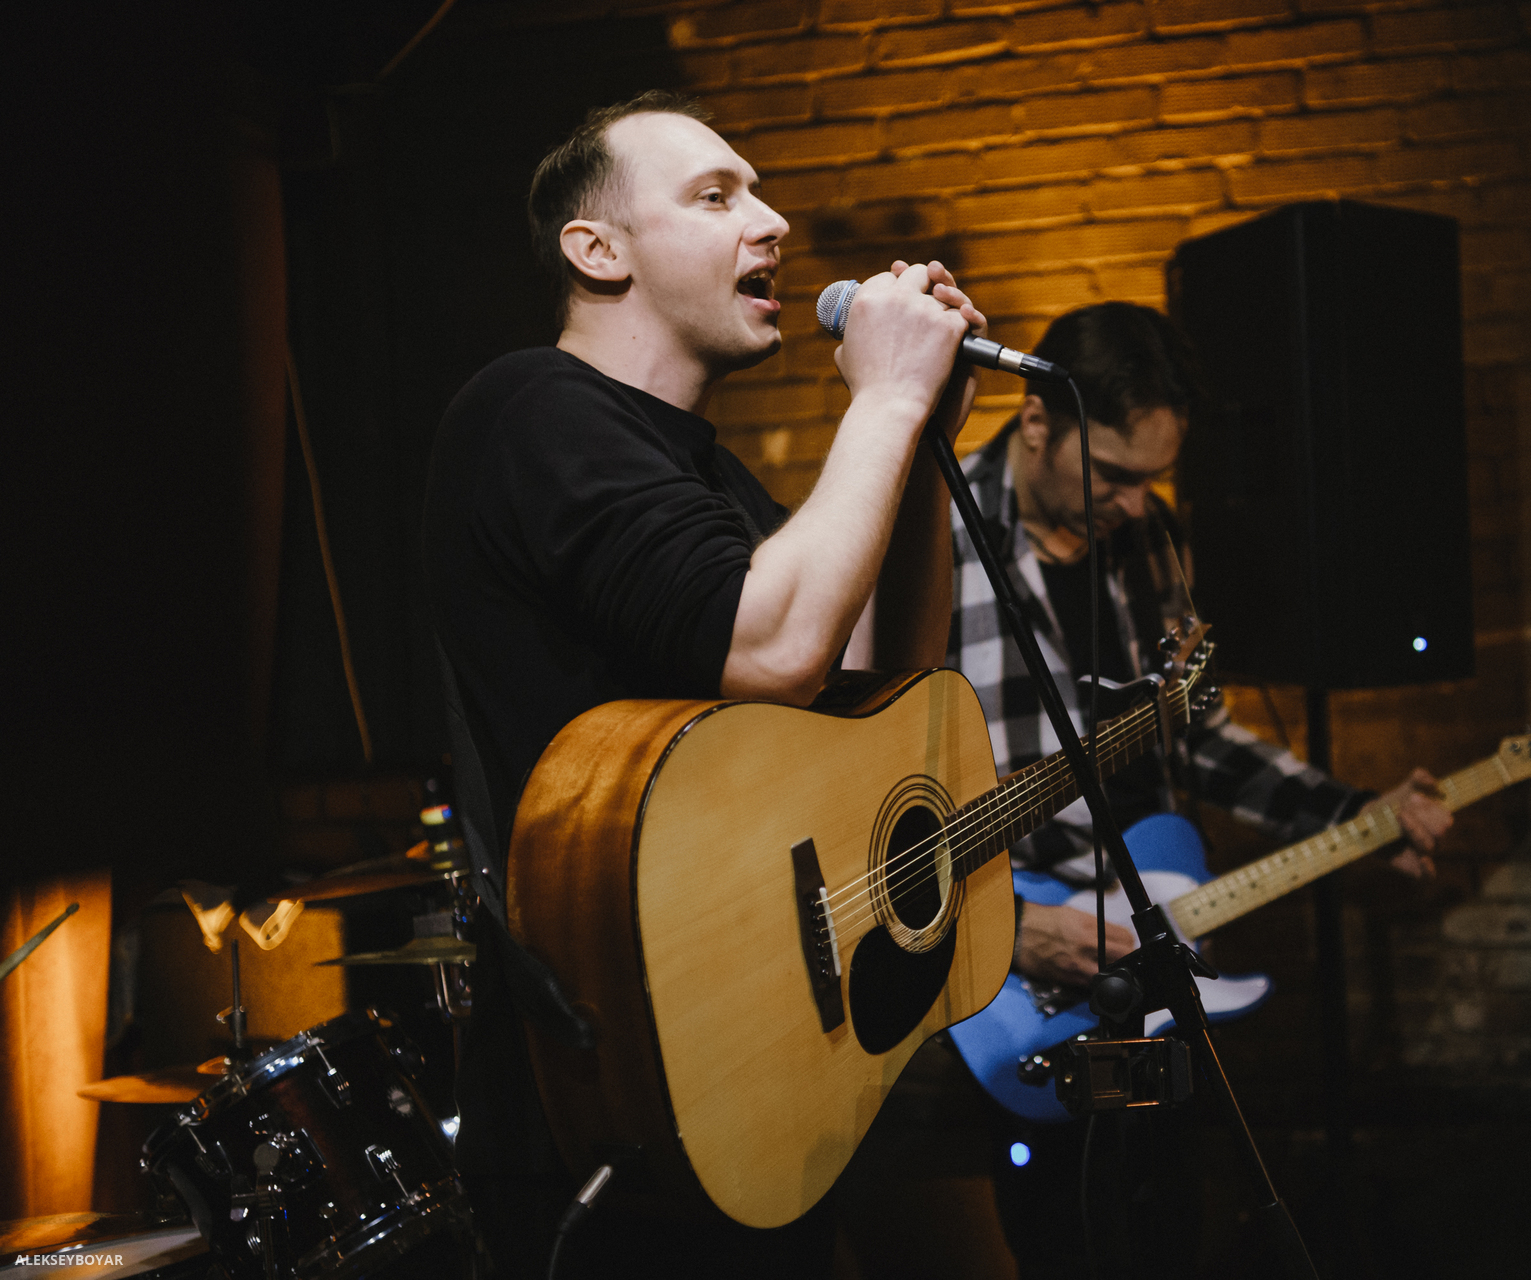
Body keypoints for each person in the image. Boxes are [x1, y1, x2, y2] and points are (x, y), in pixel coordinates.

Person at [421, 89, 983, 1277]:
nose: (770, 223)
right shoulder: (533, 410)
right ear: (599, 250)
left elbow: (883, 680)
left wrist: (924, 440)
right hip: (609, 1086)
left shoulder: (707, 479)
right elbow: (772, 647)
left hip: (748, 1052)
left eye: (759, 194)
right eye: (717, 195)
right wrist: (882, 397)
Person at [944, 301, 1454, 1274]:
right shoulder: (934, 538)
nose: (1138, 504)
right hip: (1020, 962)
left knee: (1170, 1219)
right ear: (1037, 422)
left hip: (1160, 933)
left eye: (1154, 479)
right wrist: (1006, 929)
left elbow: (1196, 734)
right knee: (1061, 1235)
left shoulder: (1149, 537)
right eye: (1115, 474)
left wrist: (1353, 814)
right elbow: (879, 800)